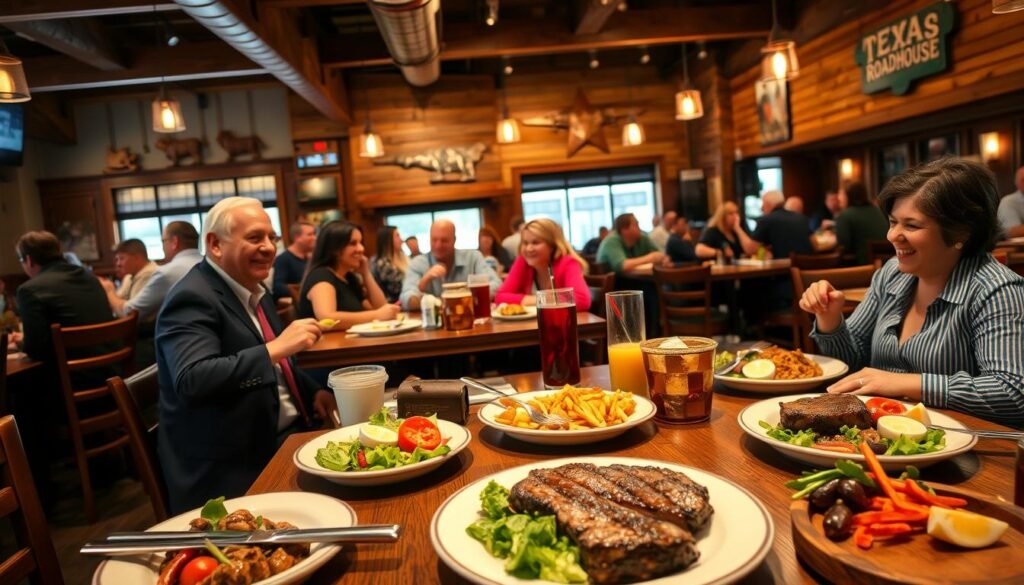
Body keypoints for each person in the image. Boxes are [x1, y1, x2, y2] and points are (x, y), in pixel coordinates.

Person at [800, 158, 1024, 426]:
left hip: (967, 447)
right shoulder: (892, 273)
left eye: (911, 225)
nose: (893, 235)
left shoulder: (994, 289)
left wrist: (906, 383)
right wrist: (829, 319)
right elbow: (850, 363)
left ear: (960, 232)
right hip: (883, 434)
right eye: (893, 222)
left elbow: (1012, 393)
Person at [155, 197, 336, 513]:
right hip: (233, 466)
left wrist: (314, 390)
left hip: (282, 438)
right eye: (255, 238)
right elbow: (193, 378)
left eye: (271, 238)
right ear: (215, 244)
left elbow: (280, 368)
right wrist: (275, 347)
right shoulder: (191, 296)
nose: (268, 247)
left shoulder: (252, 289)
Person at [296, 221, 399, 327]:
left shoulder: (349, 278)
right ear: (334, 249)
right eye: (353, 243)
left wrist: (366, 273)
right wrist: (376, 315)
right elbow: (327, 318)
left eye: (360, 242)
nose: (361, 249)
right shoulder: (321, 276)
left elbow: (381, 308)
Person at [101, 221, 203, 320]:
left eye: (163, 241)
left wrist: (109, 291)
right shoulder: (209, 263)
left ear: (174, 242)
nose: (162, 247)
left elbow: (131, 313)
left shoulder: (166, 273)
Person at [400, 220, 501, 310]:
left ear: (454, 240)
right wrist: (423, 282)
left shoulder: (472, 257)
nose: (438, 245)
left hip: (470, 321)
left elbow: (497, 284)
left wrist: (460, 299)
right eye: (434, 240)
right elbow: (406, 298)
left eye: (444, 241)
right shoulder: (418, 263)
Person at [496, 218, 591, 311]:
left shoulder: (567, 263)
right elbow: (500, 297)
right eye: (525, 243)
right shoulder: (523, 261)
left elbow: (582, 300)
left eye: (535, 242)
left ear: (552, 245)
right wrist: (542, 299)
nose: (529, 249)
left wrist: (527, 300)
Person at [741, 190, 814, 258]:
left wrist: (737, 227)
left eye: (763, 203)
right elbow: (814, 244)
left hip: (783, 269)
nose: (761, 208)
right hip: (808, 267)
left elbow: (750, 249)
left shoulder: (766, 220)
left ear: (768, 204)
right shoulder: (802, 218)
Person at [834, 182, 889, 265]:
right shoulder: (876, 210)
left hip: (862, 268)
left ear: (849, 195)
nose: (838, 198)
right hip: (887, 265)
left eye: (841, 194)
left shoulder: (845, 215)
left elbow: (843, 246)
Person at [596, 213, 666, 274]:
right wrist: (650, 257)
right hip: (616, 286)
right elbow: (621, 265)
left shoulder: (642, 238)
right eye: (636, 225)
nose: (639, 228)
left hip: (636, 280)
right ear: (624, 229)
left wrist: (660, 258)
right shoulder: (611, 241)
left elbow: (661, 255)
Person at [272, 221, 316, 302]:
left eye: (314, 234)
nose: (314, 238)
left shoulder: (309, 258)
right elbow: (278, 287)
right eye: (310, 234)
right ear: (297, 238)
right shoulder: (283, 259)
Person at [371, 225, 409, 304]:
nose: (401, 240)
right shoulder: (383, 264)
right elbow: (399, 289)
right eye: (397, 236)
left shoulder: (404, 257)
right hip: (393, 307)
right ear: (388, 240)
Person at [997, 165, 1024, 239]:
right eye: (1023, 180)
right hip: (1016, 249)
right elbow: (1012, 232)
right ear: (1016, 183)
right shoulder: (1008, 202)